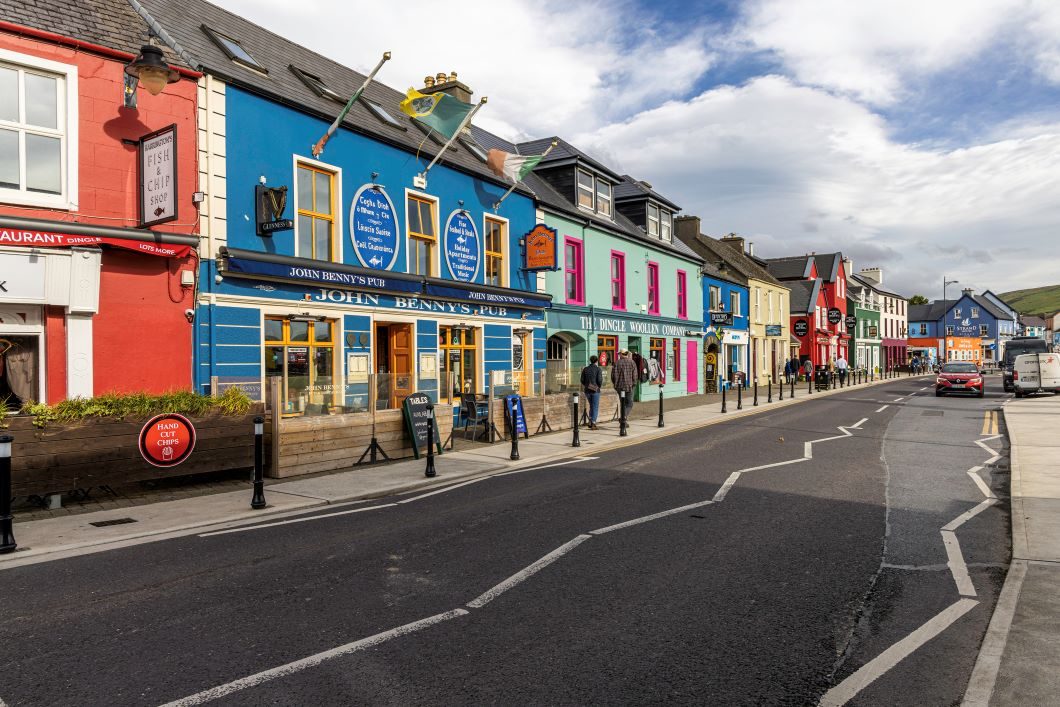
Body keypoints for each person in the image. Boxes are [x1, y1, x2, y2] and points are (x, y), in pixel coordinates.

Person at [611, 348, 637, 419]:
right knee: (629, 404)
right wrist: (634, 384)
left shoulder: (616, 363)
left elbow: (613, 376)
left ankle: (623, 421)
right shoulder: (632, 362)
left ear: (622, 354)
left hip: (619, 387)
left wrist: (615, 385)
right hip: (629, 387)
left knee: (622, 403)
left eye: (619, 354)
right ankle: (624, 417)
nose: (619, 355)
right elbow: (635, 376)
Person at [580, 355, 603, 429]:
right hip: (595, 390)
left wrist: (587, 385)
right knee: (595, 407)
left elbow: (582, 380)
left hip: (587, 390)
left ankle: (590, 421)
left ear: (590, 361)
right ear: (596, 361)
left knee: (591, 406)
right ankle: (593, 422)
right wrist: (598, 386)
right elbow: (599, 380)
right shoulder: (598, 369)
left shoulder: (585, 369)